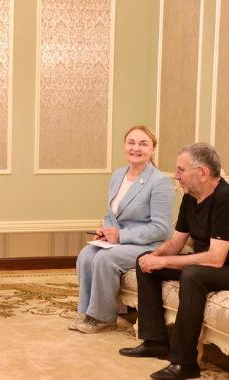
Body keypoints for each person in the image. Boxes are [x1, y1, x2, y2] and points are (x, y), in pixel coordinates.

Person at [119, 143, 229, 379]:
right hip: (221, 266)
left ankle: (185, 363)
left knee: (193, 274)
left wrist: (165, 262)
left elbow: (215, 258)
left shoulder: (228, 200)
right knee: (146, 262)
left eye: (181, 170)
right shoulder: (192, 197)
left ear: (202, 173)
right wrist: (155, 257)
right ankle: (155, 341)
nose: (176, 175)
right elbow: (176, 242)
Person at [72, 126, 174, 333]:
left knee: (104, 259)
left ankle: (102, 318)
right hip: (121, 241)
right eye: (131, 142)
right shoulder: (118, 175)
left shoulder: (160, 181)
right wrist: (107, 230)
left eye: (143, 144)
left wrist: (120, 236)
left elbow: (161, 229)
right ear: (124, 146)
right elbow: (111, 213)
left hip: (150, 244)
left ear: (152, 149)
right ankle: (85, 312)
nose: (136, 148)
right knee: (86, 254)